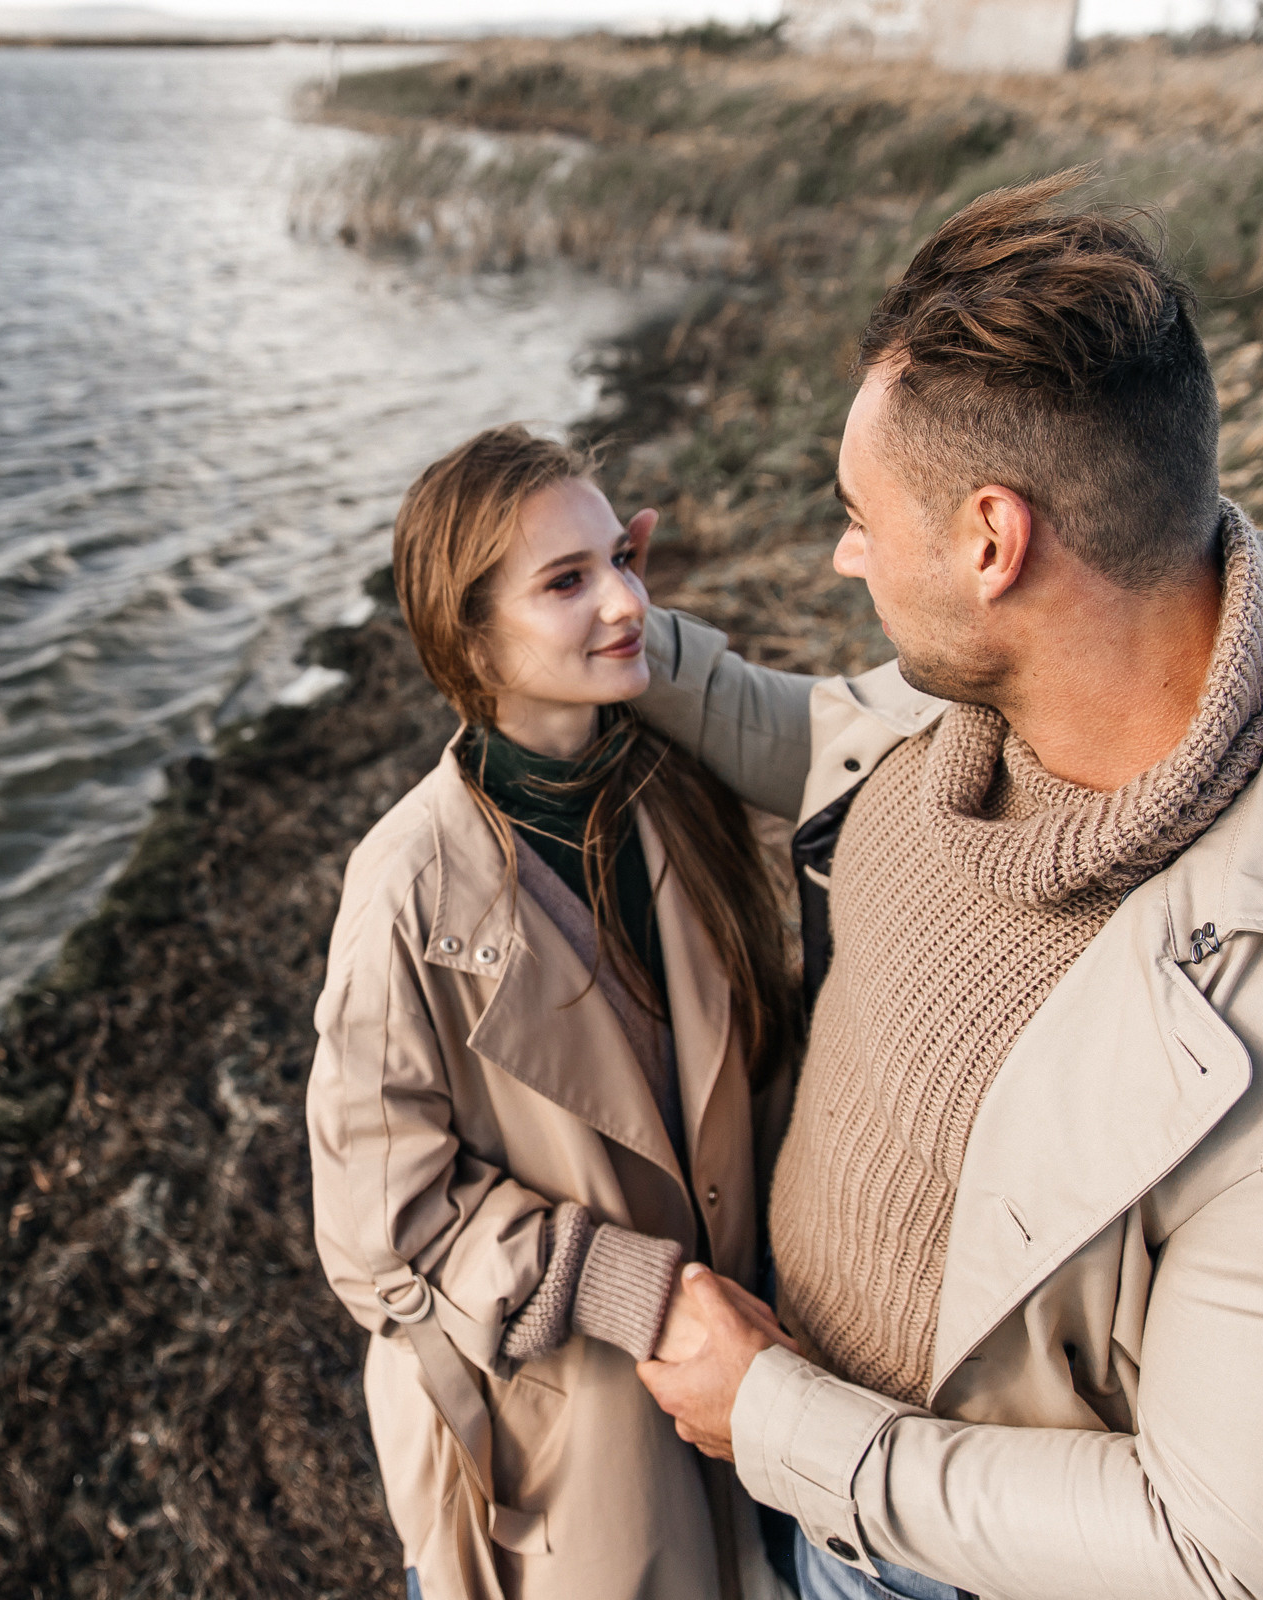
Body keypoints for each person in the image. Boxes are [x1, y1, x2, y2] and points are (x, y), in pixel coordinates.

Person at [627, 170, 1263, 1600]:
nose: (843, 551)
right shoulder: (981, 707)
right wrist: (626, 638)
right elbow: (816, 737)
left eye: (862, 514)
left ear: (994, 542)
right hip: (776, 1461)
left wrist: (779, 1425)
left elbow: (1234, 1559)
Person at [305, 426, 805, 1600]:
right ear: (469, 636)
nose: (625, 601)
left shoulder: (681, 798)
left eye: (621, 562)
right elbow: (379, 1227)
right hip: (558, 1441)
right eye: (568, 581)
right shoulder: (406, 887)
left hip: (751, 1386)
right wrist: (631, 1286)